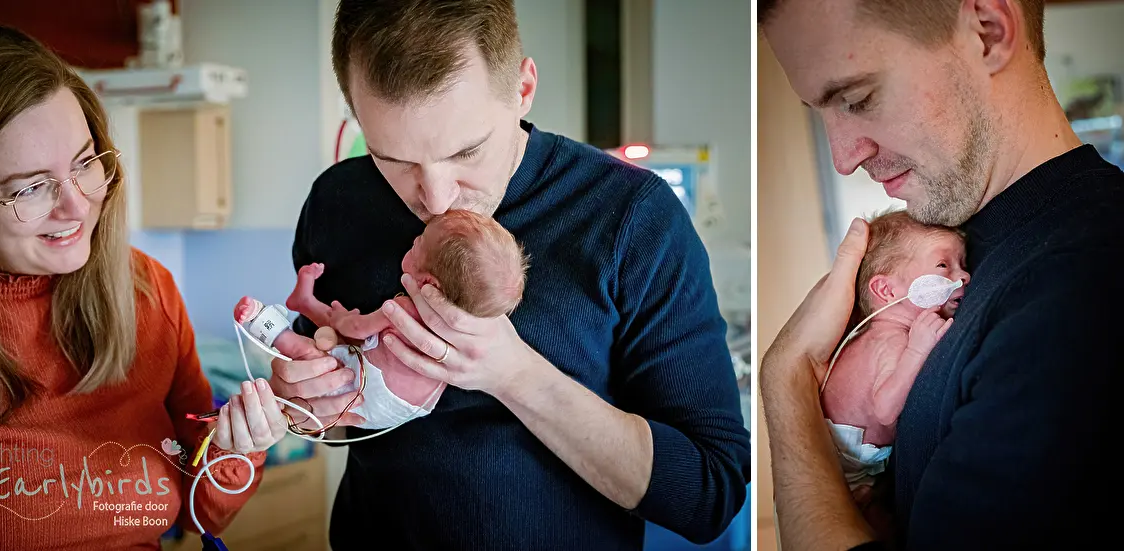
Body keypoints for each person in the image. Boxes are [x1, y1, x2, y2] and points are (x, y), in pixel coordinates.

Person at [269, 0, 751, 548]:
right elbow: (328, 410)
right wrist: (307, 405)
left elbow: (710, 493)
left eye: (467, 151)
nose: (436, 197)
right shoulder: (337, 201)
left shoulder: (633, 219)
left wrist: (512, 374)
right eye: (394, 159)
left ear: (522, 89)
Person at [758, 0, 1124, 549]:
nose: (844, 156)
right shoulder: (952, 242)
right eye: (821, 110)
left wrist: (785, 381)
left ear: (988, 31)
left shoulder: (1080, 288)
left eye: (858, 98)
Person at [0, 23, 287, 549]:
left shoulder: (148, 292)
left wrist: (238, 450)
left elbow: (199, 513)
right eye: (30, 186)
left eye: (84, 164)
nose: (76, 207)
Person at [235, 208, 529, 430]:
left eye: (418, 244)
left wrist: (345, 319)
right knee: (343, 340)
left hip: (370, 393)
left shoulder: (406, 308)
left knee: (317, 352)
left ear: (430, 284)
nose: (413, 240)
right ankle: (305, 302)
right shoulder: (467, 329)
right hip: (406, 410)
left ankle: (263, 323)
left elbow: (356, 328)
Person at [820, 210, 965, 498]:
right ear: (886, 290)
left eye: (962, 263)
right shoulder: (892, 342)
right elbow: (886, 409)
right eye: (943, 265)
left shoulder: (875, 335)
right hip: (846, 466)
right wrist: (917, 349)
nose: (963, 275)